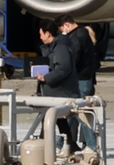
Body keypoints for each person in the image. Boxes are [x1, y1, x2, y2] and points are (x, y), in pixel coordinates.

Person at [56, 13, 100, 152]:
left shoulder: (76, 38)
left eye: (62, 29)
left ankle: (91, 145)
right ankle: (62, 142)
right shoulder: (83, 34)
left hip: (80, 80)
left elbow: (72, 59)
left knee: (78, 113)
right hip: (85, 78)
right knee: (73, 114)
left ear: (67, 25)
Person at [36, 20, 79, 154]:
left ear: (48, 33)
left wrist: (46, 78)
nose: (40, 37)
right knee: (59, 121)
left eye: (41, 34)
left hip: (59, 92)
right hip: (55, 91)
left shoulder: (60, 48)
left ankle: (44, 147)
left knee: (48, 120)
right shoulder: (55, 47)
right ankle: (71, 144)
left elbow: (63, 69)